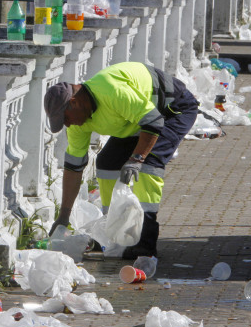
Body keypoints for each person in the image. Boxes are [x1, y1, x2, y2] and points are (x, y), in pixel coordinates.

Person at [43, 62, 199, 260]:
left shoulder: (112, 92)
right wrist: (63, 217)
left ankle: (146, 242)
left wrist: (136, 159)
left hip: (172, 110)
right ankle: (113, 233)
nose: (67, 124)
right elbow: (74, 168)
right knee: (107, 163)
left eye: (65, 119)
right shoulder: (78, 123)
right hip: (139, 120)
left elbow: (154, 122)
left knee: (148, 165)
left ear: (74, 102)